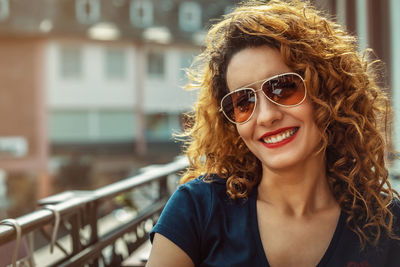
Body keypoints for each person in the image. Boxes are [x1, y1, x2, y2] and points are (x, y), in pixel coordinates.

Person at [146, 0, 400, 266]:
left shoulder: (388, 227)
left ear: (328, 93)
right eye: (243, 101)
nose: (266, 116)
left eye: (283, 88)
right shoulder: (197, 209)